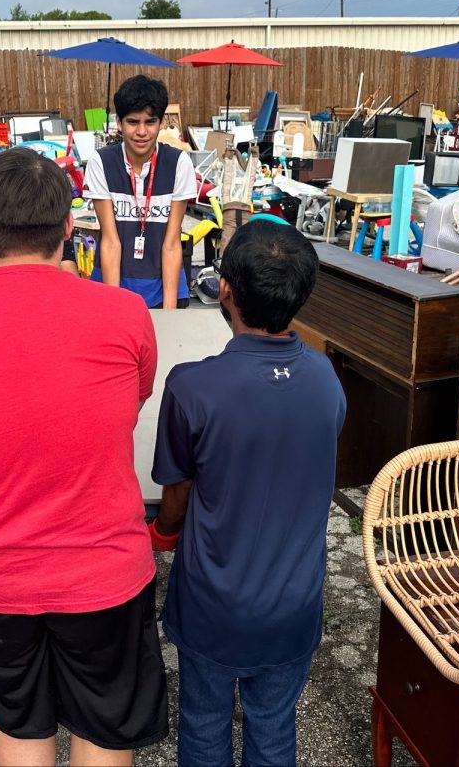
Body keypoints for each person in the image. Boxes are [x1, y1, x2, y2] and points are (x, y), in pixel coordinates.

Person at [0, 148, 167, 766]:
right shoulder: (125, 314)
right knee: (104, 727)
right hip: (102, 571)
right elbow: (125, 408)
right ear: (69, 228)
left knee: (20, 719)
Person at [149, 219, 347, 767]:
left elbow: (177, 491)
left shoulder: (191, 386)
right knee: (274, 725)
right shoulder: (326, 378)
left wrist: (164, 533)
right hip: (294, 603)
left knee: (204, 721)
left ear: (227, 290)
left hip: (214, 605)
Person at [83, 75, 197, 309]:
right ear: (119, 122)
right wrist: (114, 309)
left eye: (150, 122)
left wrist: (169, 310)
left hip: (164, 286)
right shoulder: (101, 162)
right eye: (133, 122)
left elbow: (172, 244)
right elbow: (110, 242)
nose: (142, 131)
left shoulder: (179, 163)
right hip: (112, 285)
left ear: (162, 121)